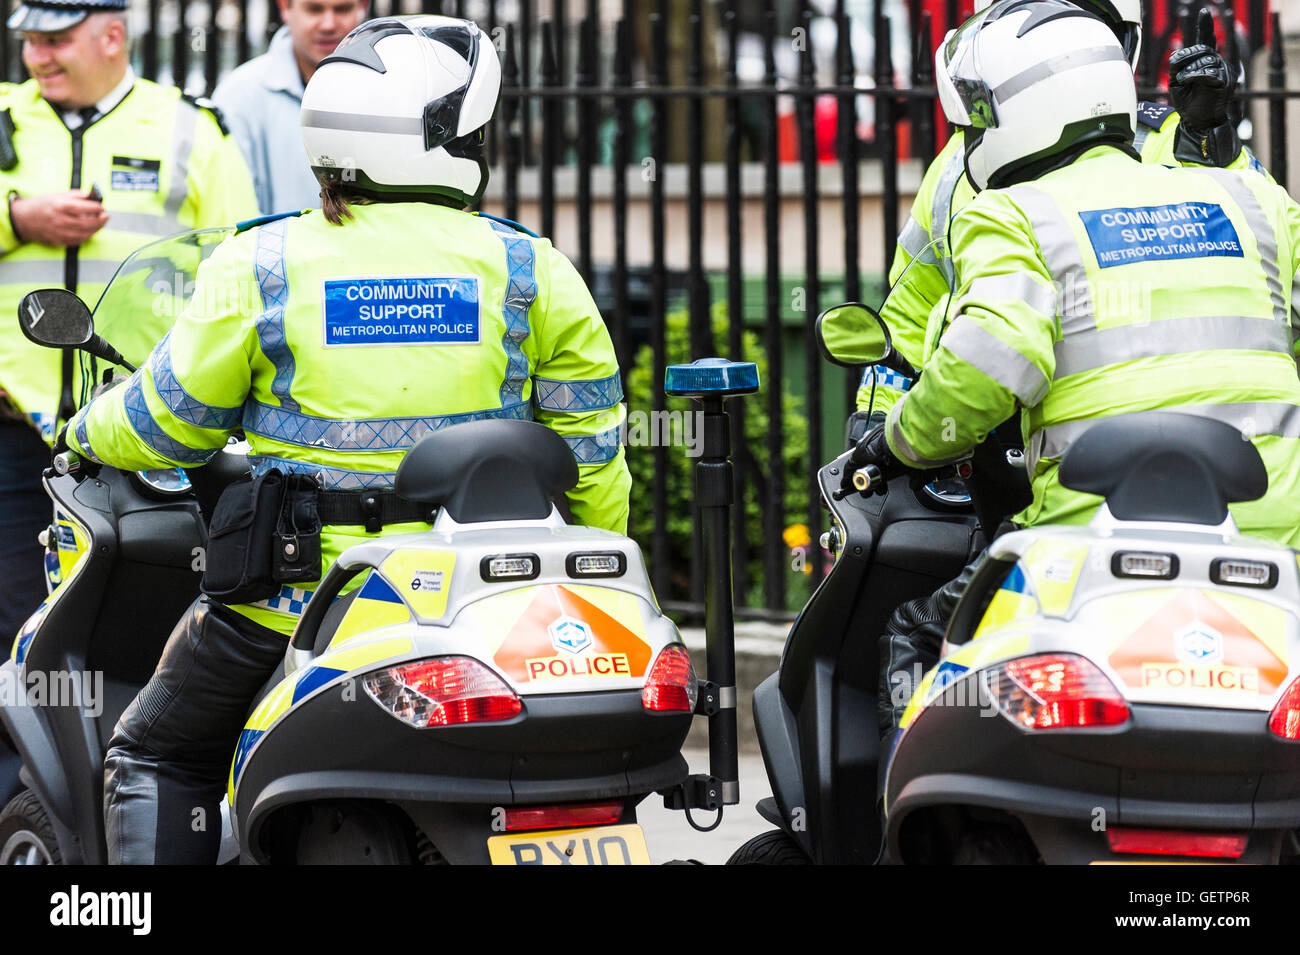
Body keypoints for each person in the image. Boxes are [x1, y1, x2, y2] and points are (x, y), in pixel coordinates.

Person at [62, 14, 632, 864]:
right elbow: (592, 462)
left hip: (300, 607)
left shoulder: (263, 264)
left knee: (153, 746)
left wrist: (83, 424)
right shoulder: (531, 267)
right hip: (485, 608)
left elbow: (164, 424)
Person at [849, 0, 1300, 733]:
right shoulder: (1251, 197)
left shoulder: (1013, 208)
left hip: (1090, 537)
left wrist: (894, 439)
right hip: (1272, 540)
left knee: (917, 633)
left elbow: (985, 363)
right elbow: (906, 320)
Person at [853, 0, 1268, 430]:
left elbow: (1258, 247)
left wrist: (1213, 146)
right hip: (978, 452)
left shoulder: (1171, 141)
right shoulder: (956, 165)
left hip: (1135, 434)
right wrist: (877, 414)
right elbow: (911, 314)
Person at [0, 0, 257, 655]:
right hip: (11, 428)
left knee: (141, 622)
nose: (38, 56)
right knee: (15, 624)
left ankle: (118, 757)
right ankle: (22, 758)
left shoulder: (189, 128)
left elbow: (242, 267)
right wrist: (17, 219)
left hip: (140, 428)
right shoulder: (5, 114)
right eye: (29, 41)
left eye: (55, 39)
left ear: (112, 35)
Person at [212, 0, 369, 214]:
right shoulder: (238, 97)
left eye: (342, 9)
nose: (328, 24)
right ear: (285, 7)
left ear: (363, 7)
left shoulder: (395, 92)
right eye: (314, 9)